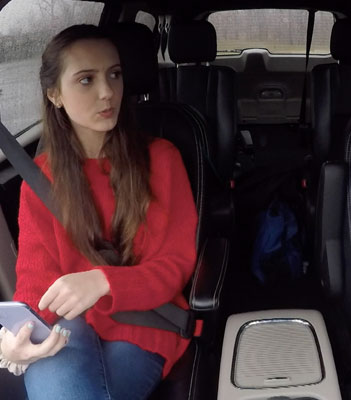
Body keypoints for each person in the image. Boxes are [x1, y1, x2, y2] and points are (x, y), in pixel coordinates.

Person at [0, 24, 198, 399]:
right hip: (67, 327)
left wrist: (103, 281)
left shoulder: (161, 160)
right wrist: (14, 341)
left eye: (114, 75)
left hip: (144, 323)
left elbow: (174, 265)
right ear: (55, 94)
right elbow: (35, 282)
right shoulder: (38, 180)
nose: (107, 92)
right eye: (86, 80)